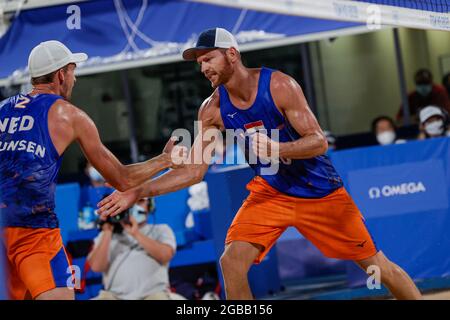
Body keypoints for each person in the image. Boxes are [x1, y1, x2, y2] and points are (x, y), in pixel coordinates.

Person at [98, 28, 422, 300]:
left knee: (378, 266)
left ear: (232, 54)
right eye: (199, 63)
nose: (203, 68)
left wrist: (278, 147)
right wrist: (137, 191)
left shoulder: (279, 85)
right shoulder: (211, 109)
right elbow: (194, 171)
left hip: (319, 191)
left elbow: (318, 141)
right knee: (231, 263)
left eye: (208, 59)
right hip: (270, 192)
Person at [0, 40, 187, 300]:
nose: (74, 79)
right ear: (61, 75)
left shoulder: (3, 108)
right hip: (34, 233)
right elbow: (122, 178)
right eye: (73, 71)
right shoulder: (69, 115)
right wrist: (165, 160)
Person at [88, 197, 185, 300]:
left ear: (150, 205)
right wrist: (107, 231)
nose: (134, 206)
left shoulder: (161, 230)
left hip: (152, 295)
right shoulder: (107, 235)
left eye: (140, 201)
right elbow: (96, 267)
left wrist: (135, 234)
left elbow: (165, 256)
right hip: (114, 296)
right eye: (130, 202)